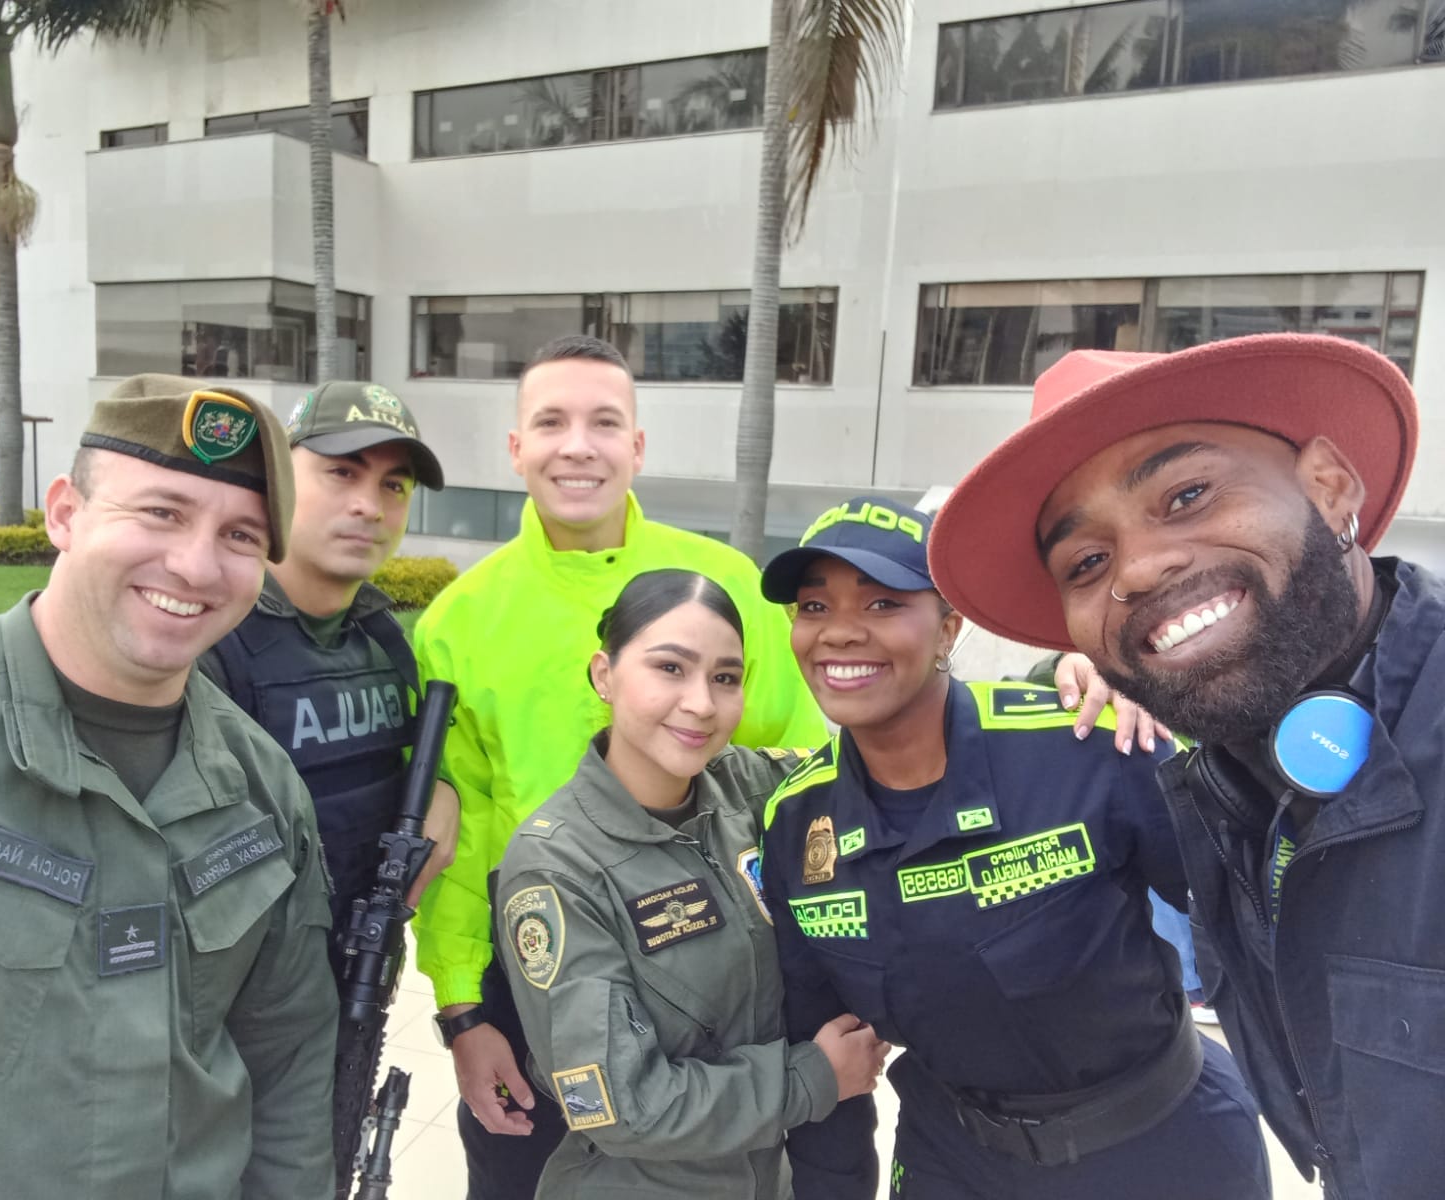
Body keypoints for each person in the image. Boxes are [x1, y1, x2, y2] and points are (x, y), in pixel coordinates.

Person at [929, 332, 1435, 1200]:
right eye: (1087, 562)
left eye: (1188, 495)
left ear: (1329, 485)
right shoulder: (1227, 788)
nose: (1139, 568)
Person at [0, 376, 337, 1200]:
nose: (196, 564)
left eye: (241, 535)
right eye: (162, 512)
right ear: (65, 512)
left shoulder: (261, 786)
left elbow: (289, 1062)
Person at [760, 494, 1272, 1200]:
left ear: (948, 627)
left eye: (882, 604)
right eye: (814, 607)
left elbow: (1251, 925)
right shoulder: (796, 820)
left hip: (1161, 1147)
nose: (840, 633)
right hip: (952, 1160)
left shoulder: (1085, 744)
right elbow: (825, 1038)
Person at [411, 334, 826, 1200]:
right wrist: (462, 1014)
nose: (578, 446)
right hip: (533, 980)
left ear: (636, 446)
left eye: (604, 423)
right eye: (550, 422)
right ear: (516, 447)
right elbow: (460, 834)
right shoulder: (459, 620)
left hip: (716, 968)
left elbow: (804, 778)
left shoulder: (725, 584)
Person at [496, 568, 889, 1197]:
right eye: (670, 668)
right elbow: (621, 1105)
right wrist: (810, 1078)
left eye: (725, 678)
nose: (702, 703)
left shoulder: (748, 788)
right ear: (604, 675)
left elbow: (887, 761)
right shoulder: (558, 866)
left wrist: (1058, 687)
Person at [200, 380, 458, 947]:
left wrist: (444, 786)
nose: (370, 505)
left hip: (352, 966)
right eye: (342, 472)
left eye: (394, 485)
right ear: (278, 477)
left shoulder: (386, 645)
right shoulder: (207, 636)